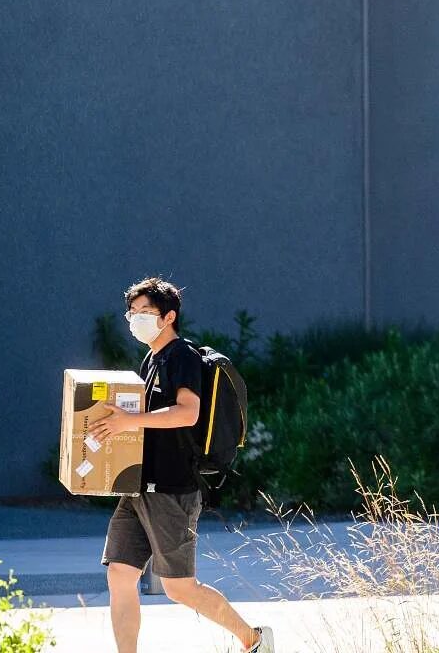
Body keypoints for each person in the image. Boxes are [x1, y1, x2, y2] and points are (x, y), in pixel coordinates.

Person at [90, 277, 275, 653]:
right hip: (138, 487)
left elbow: (187, 413)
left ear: (169, 316)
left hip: (172, 490)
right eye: (133, 312)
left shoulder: (182, 357)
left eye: (145, 312)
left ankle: (253, 639)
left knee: (178, 587)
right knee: (120, 575)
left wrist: (128, 422)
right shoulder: (151, 358)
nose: (135, 318)